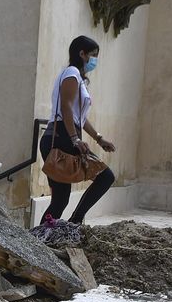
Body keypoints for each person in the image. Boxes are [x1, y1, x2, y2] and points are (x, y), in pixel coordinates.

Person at [39, 35, 117, 228]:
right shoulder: (72, 73)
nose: (94, 60)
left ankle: (43, 236)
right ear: (81, 53)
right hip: (61, 138)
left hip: (63, 136)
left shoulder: (78, 78)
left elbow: (78, 117)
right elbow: (65, 107)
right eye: (93, 55)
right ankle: (73, 222)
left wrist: (99, 139)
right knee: (105, 177)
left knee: (60, 200)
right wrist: (74, 139)